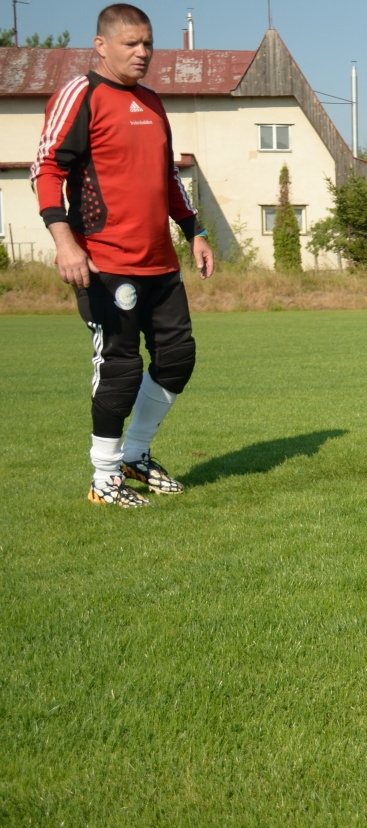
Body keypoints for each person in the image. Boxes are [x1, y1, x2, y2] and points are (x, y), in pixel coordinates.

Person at [31, 3, 214, 507]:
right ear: (101, 46)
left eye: (148, 43)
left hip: (160, 265)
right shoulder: (81, 94)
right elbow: (46, 168)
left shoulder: (153, 103)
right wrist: (64, 242)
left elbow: (167, 178)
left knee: (178, 360)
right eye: (131, 43)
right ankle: (105, 477)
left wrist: (194, 230)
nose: (143, 52)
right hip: (104, 264)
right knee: (121, 368)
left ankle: (136, 455)